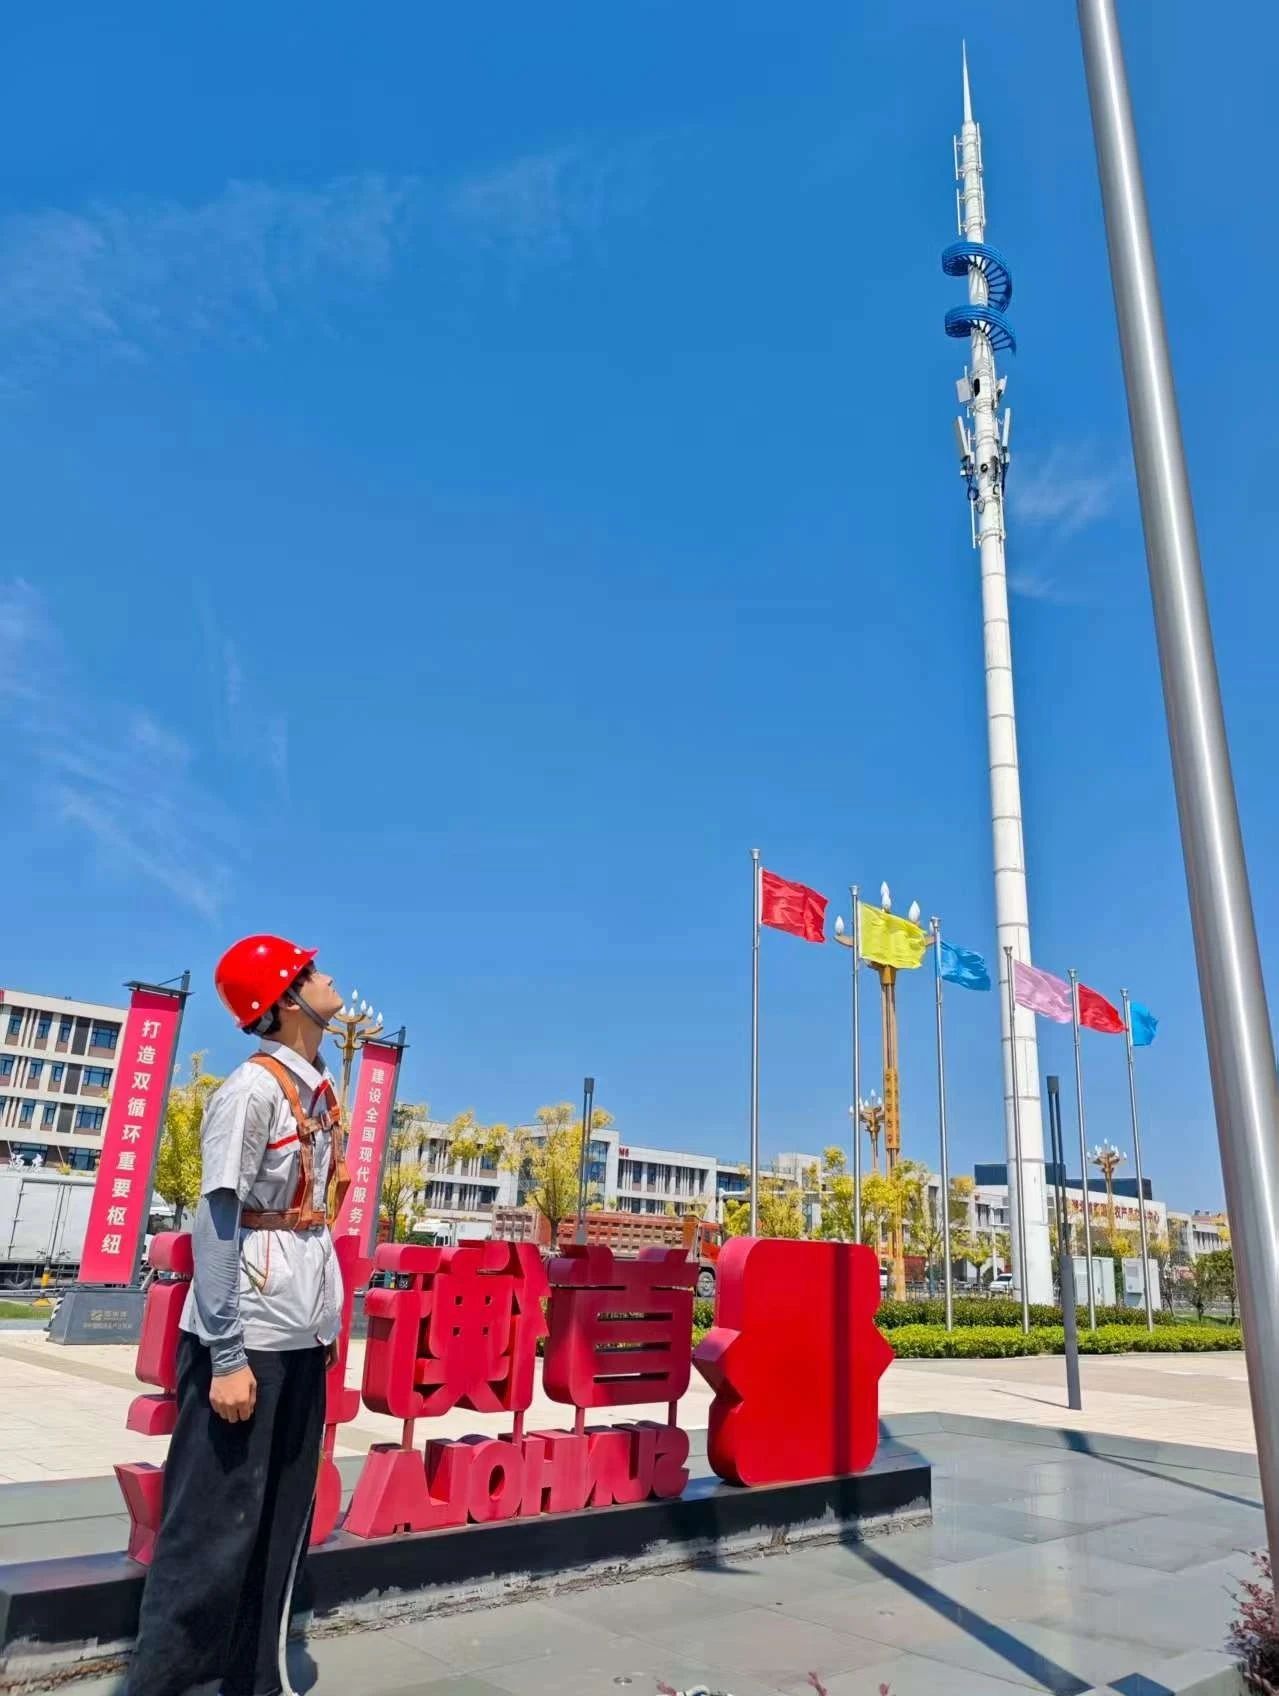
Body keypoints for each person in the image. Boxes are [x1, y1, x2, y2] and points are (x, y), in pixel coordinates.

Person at [126, 934, 348, 1696]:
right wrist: (225, 1354)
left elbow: (313, 1220)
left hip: (301, 1335)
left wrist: (326, 1326)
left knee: (281, 1524)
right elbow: (217, 1218)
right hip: (246, 1340)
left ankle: (256, 1681)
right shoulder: (249, 1091)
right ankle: (165, 1684)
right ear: (284, 1001)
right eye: (310, 972)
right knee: (210, 1530)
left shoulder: (319, 1090)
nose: (327, 977)